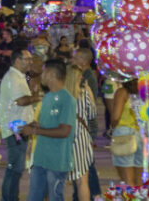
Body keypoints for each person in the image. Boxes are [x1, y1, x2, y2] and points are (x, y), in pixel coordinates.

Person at [21, 60, 76, 201]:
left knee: (55, 197)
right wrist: (33, 125)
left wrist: (35, 132)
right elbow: (46, 124)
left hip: (57, 161)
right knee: (34, 197)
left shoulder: (67, 99)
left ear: (51, 74)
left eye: (44, 71)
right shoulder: (47, 97)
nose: (41, 75)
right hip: (40, 158)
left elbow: (64, 131)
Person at [0, 49, 40, 201]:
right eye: (27, 59)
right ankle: (9, 198)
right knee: (15, 168)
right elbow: (21, 100)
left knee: (16, 168)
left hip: (21, 127)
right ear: (17, 61)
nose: (30, 62)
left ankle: (11, 197)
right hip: (15, 129)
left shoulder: (19, 76)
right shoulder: (12, 78)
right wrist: (38, 97)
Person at [63, 64, 95, 201]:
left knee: (58, 180)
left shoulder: (59, 95)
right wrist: (88, 89)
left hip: (62, 135)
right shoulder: (84, 93)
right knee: (82, 181)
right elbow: (92, 113)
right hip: (80, 136)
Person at [109, 79, 142, 187]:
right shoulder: (144, 92)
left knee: (127, 181)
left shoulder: (122, 92)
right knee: (139, 180)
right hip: (141, 134)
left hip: (124, 135)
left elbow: (116, 117)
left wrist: (112, 127)